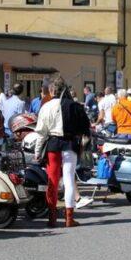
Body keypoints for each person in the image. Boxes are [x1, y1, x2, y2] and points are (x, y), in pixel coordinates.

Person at [33, 77, 91, 228]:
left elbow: (41, 133)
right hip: (70, 145)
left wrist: (37, 151)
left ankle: (52, 218)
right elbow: (85, 128)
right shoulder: (75, 106)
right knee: (69, 180)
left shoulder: (46, 107)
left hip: (53, 146)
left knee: (52, 181)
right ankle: (69, 218)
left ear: (52, 90)